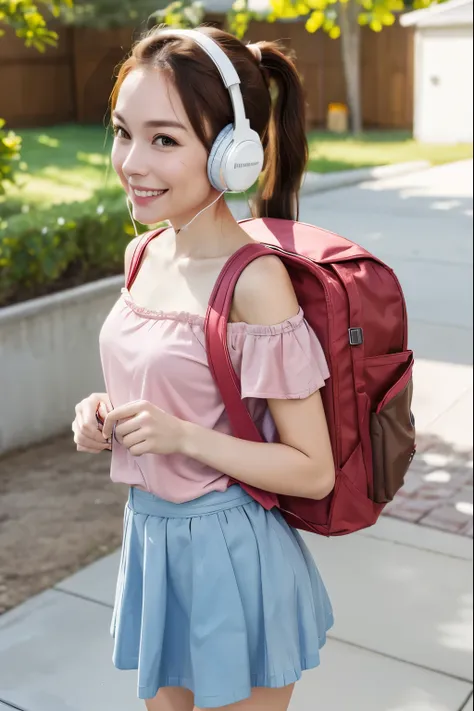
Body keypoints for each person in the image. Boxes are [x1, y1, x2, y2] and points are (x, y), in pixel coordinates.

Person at [72, 25, 335, 711]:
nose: (131, 161)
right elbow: (172, 381)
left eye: (164, 139)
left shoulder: (256, 281)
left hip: (233, 557)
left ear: (231, 154)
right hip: (152, 544)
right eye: (123, 132)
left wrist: (185, 437)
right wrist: (101, 410)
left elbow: (312, 466)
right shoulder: (146, 254)